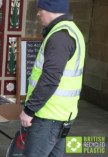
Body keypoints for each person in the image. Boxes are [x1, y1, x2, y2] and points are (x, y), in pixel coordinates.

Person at [19, 0, 85, 156]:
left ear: (51, 9)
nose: (38, 13)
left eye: (41, 9)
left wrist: (29, 110)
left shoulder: (59, 37)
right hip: (61, 115)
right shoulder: (72, 30)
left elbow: (50, 78)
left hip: (48, 117)